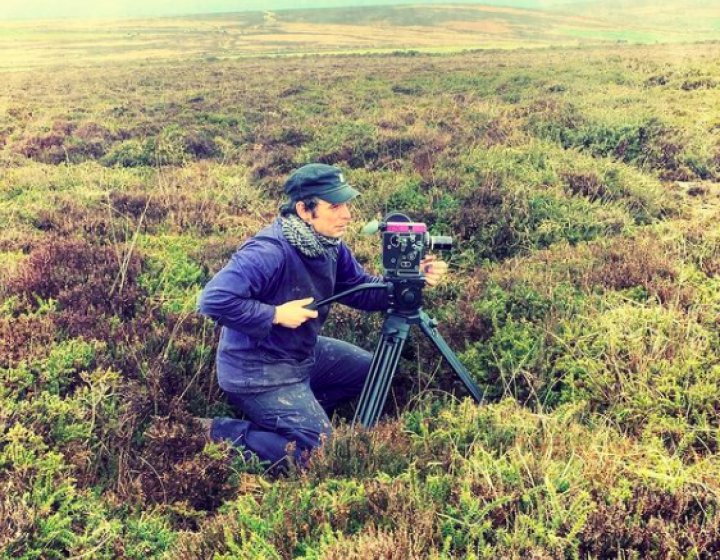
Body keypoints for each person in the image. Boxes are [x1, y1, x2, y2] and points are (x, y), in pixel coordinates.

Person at [197, 163, 448, 469]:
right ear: (304, 210)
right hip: (258, 373)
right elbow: (213, 299)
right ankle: (216, 433)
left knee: (375, 371)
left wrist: (407, 281)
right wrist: (274, 314)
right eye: (336, 206)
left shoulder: (328, 245)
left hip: (301, 354)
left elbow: (356, 288)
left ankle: (299, 415)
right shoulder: (269, 250)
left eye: (347, 204)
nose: (348, 215)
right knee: (320, 457)